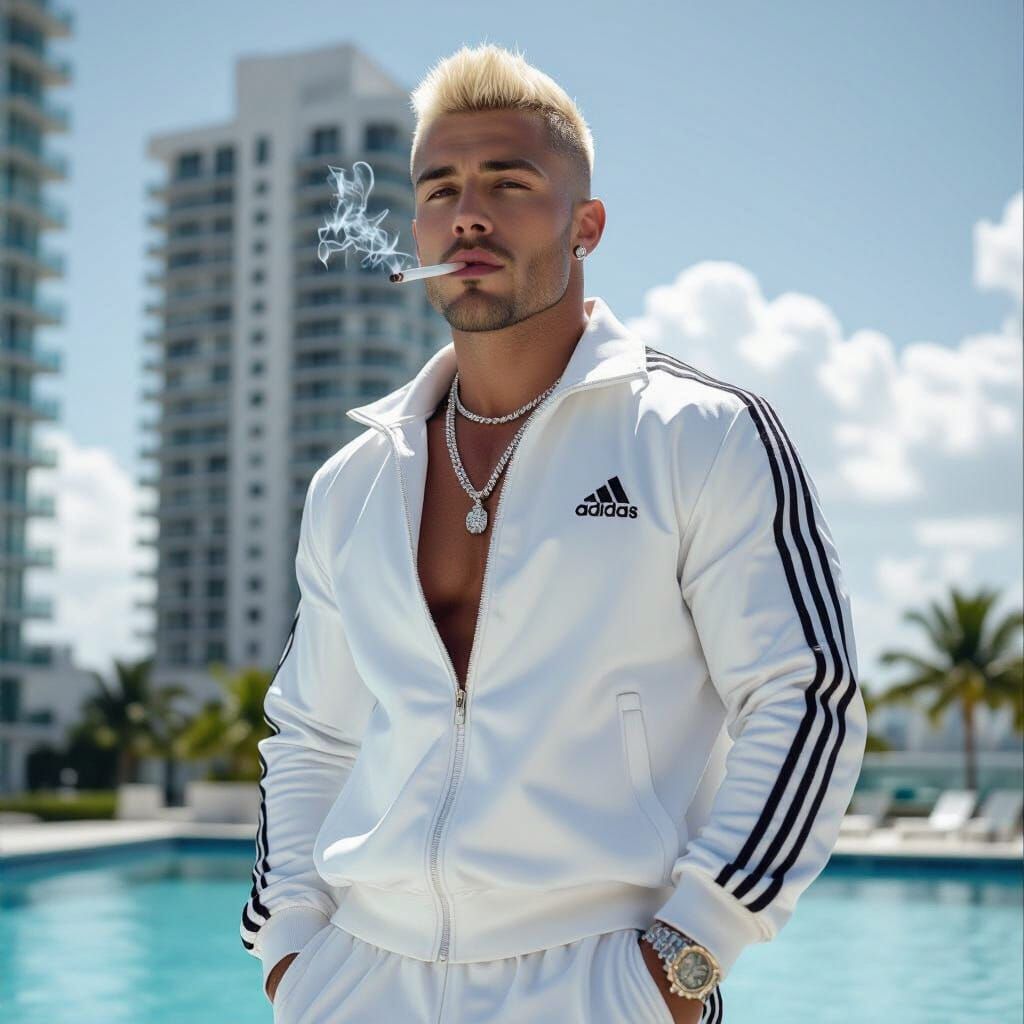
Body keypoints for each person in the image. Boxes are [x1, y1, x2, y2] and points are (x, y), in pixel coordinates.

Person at [240, 42, 867, 1024]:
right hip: (359, 981)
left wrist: (690, 952)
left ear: (586, 225)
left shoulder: (700, 434)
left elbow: (808, 698)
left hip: (598, 982)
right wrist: (288, 949)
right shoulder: (356, 477)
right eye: (439, 187)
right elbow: (313, 732)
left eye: (508, 180)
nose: (469, 212)